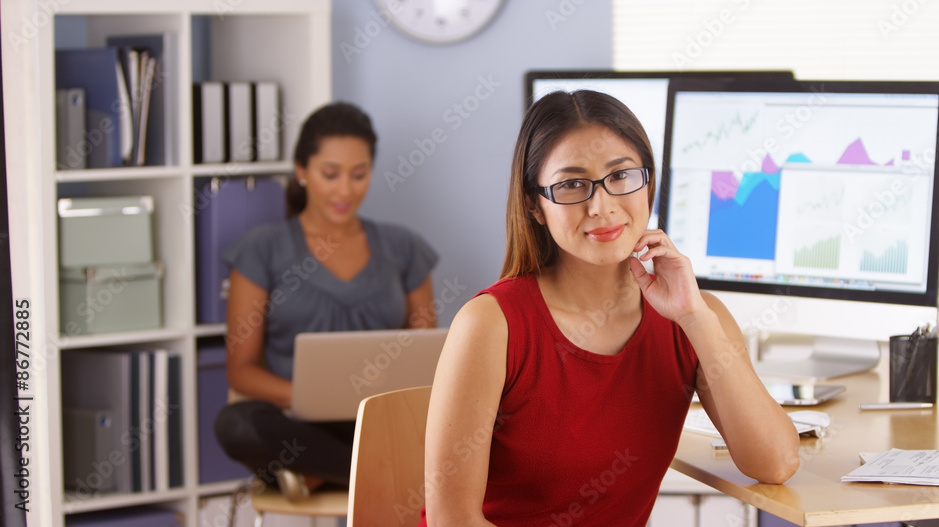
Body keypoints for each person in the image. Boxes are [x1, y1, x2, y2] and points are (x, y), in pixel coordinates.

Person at [420, 90, 799, 526]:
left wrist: (695, 318)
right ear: (534, 206)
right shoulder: (491, 324)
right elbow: (453, 522)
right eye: (571, 184)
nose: (602, 206)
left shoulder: (692, 317)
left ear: (649, 184)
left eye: (620, 176)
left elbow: (776, 463)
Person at [214, 102, 439, 501]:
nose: (345, 191)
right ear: (301, 171)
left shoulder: (403, 247)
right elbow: (242, 371)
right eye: (330, 174)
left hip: (382, 421)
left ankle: (321, 476)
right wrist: (309, 395)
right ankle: (392, 480)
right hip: (301, 425)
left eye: (359, 175)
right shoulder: (261, 250)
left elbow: (426, 359)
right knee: (237, 424)